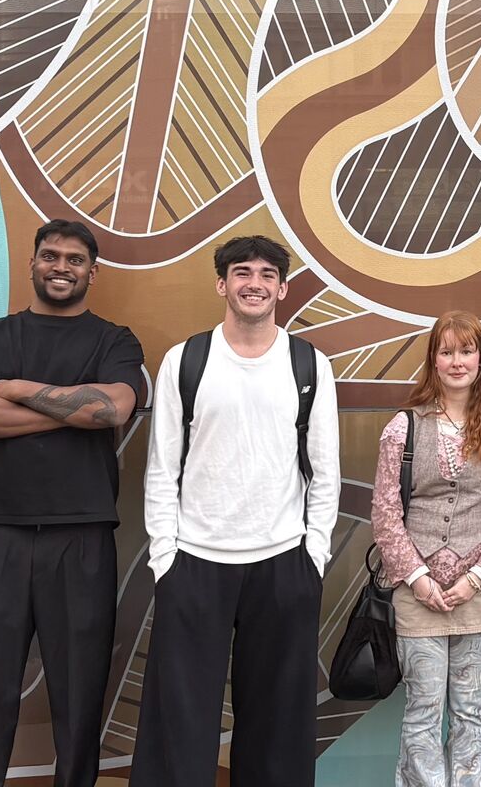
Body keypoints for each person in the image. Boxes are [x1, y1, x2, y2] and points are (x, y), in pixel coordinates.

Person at [0, 220, 147, 787]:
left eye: (75, 259)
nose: (62, 266)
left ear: (92, 272)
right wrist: (67, 413)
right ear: (32, 263)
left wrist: (10, 390)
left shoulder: (115, 341)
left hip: (80, 537)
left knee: (79, 696)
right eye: (51, 256)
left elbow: (110, 412)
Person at [131, 234, 339, 787]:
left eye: (267, 274)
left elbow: (325, 472)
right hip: (194, 561)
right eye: (243, 272)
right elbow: (161, 468)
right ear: (222, 284)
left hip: (283, 561)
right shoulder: (186, 359)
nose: (255, 283)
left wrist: (313, 554)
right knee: (180, 719)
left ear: (282, 288)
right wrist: (165, 558)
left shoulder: (309, 364)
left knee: (278, 725)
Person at [371, 311, 481, 787]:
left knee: (470, 706)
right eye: (446, 351)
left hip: (479, 593)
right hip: (417, 593)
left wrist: (475, 577)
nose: (456, 361)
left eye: (466, 350)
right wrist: (417, 579)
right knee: (423, 705)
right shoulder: (404, 428)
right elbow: (384, 512)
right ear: (433, 360)